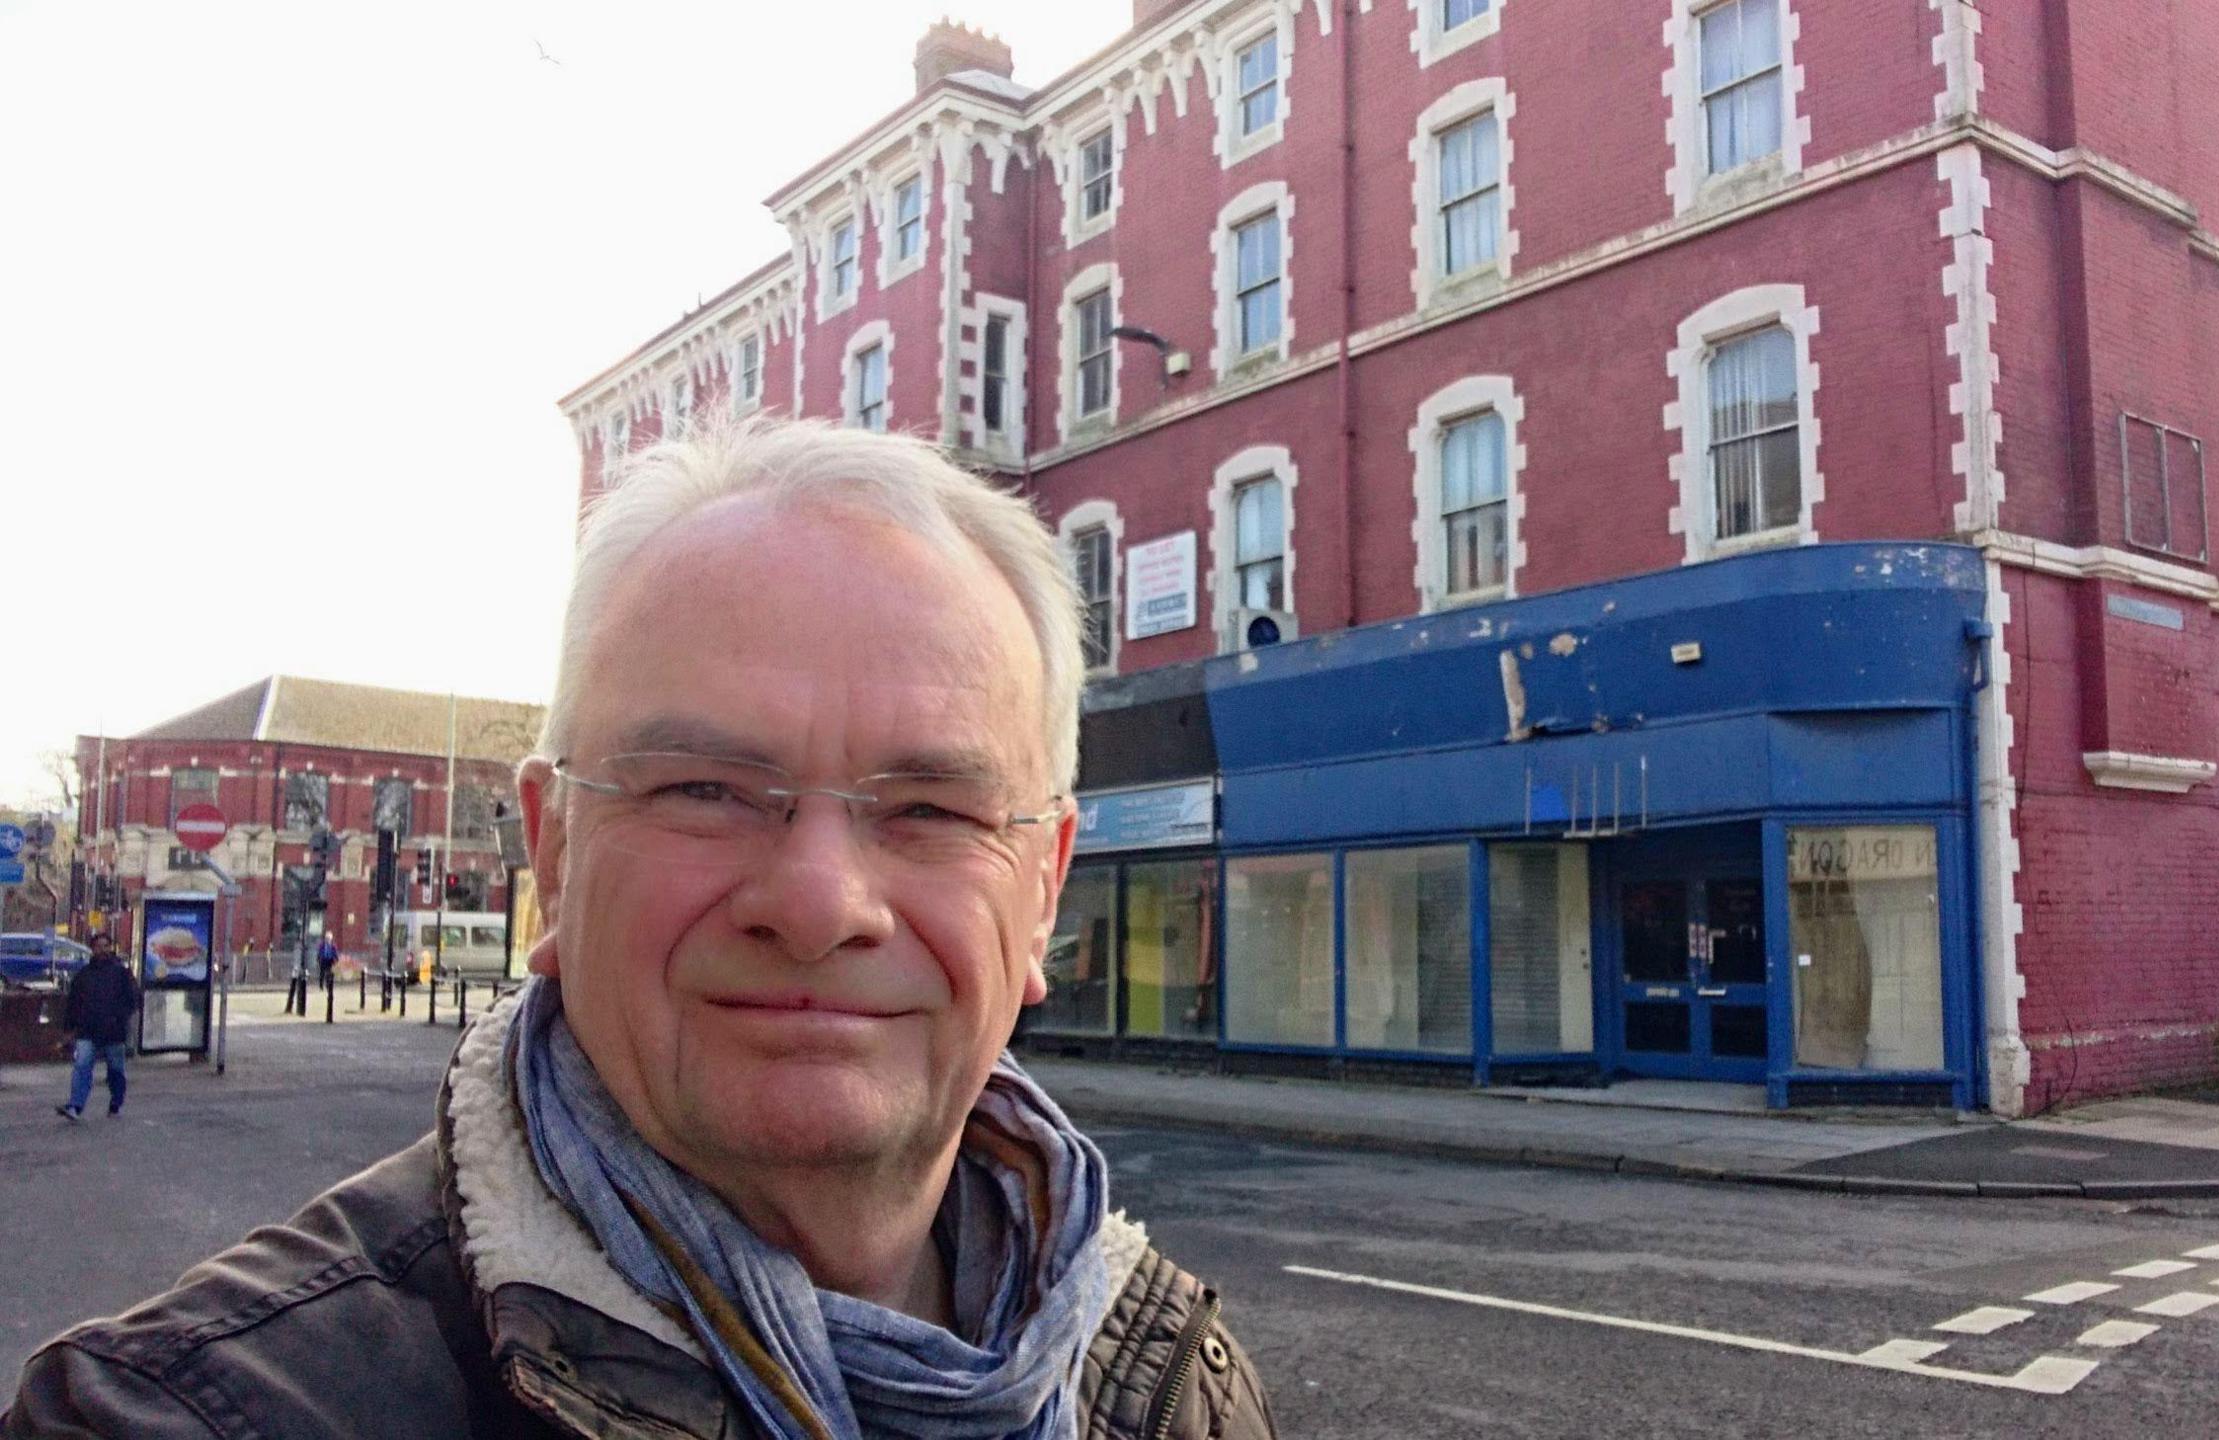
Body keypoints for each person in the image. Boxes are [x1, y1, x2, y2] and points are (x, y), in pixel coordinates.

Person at [5, 419, 1275, 1439]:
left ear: (1043, 885)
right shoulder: (181, 1412)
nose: (822, 903)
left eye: (933, 807)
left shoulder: (1168, 1378)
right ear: (554, 854)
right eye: (702, 791)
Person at [55, 935, 139, 1121]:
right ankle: (75, 1106)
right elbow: (73, 1005)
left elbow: (133, 999)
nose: (102, 950)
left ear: (111, 948)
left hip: (113, 1031)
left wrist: (120, 1017)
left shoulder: (121, 974)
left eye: (106, 946)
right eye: (99, 946)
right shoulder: (84, 976)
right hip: (87, 1030)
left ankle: (116, 1104)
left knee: (116, 1070)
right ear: (92, 949)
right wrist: (68, 1031)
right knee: (82, 1066)